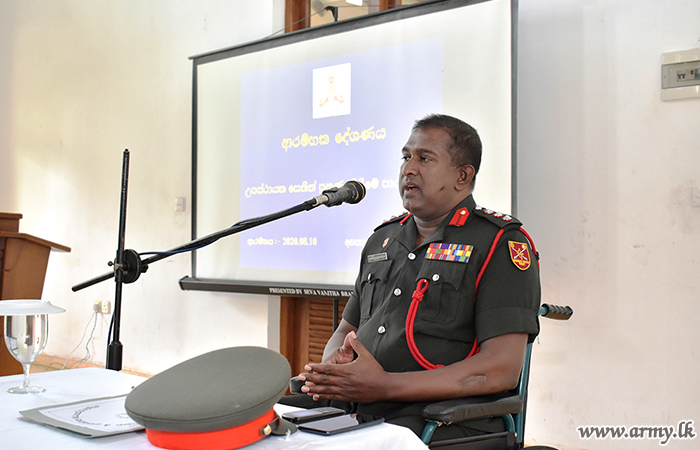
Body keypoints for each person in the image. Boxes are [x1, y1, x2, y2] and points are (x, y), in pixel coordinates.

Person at [296, 114, 541, 441]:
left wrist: (385, 386)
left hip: (437, 419)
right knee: (261, 425)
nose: (408, 169)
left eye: (424, 158)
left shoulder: (498, 243)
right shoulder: (381, 240)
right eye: (405, 157)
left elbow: (501, 369)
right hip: (358, 406)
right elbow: (346, 330)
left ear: (463, 175)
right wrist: (335, 369)